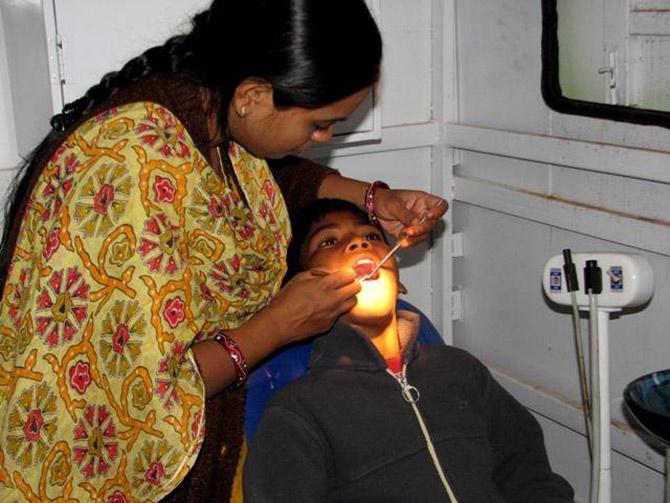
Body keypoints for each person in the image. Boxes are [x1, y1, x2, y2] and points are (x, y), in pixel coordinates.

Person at [0, 1, 448, 501]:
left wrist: (374, 198)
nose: (323, 139)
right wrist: (276, 327)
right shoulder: (130, 163)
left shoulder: (213, 116)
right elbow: (141, 397)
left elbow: (261, 180)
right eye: (320, 123)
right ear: (254, 96)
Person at [244, 199, 575, 503]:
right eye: (328, 242)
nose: (359, 244)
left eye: (372, 237)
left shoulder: (461, 372)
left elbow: (529, 473)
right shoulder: (298, 412)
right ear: (302, 291)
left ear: (397, 281)